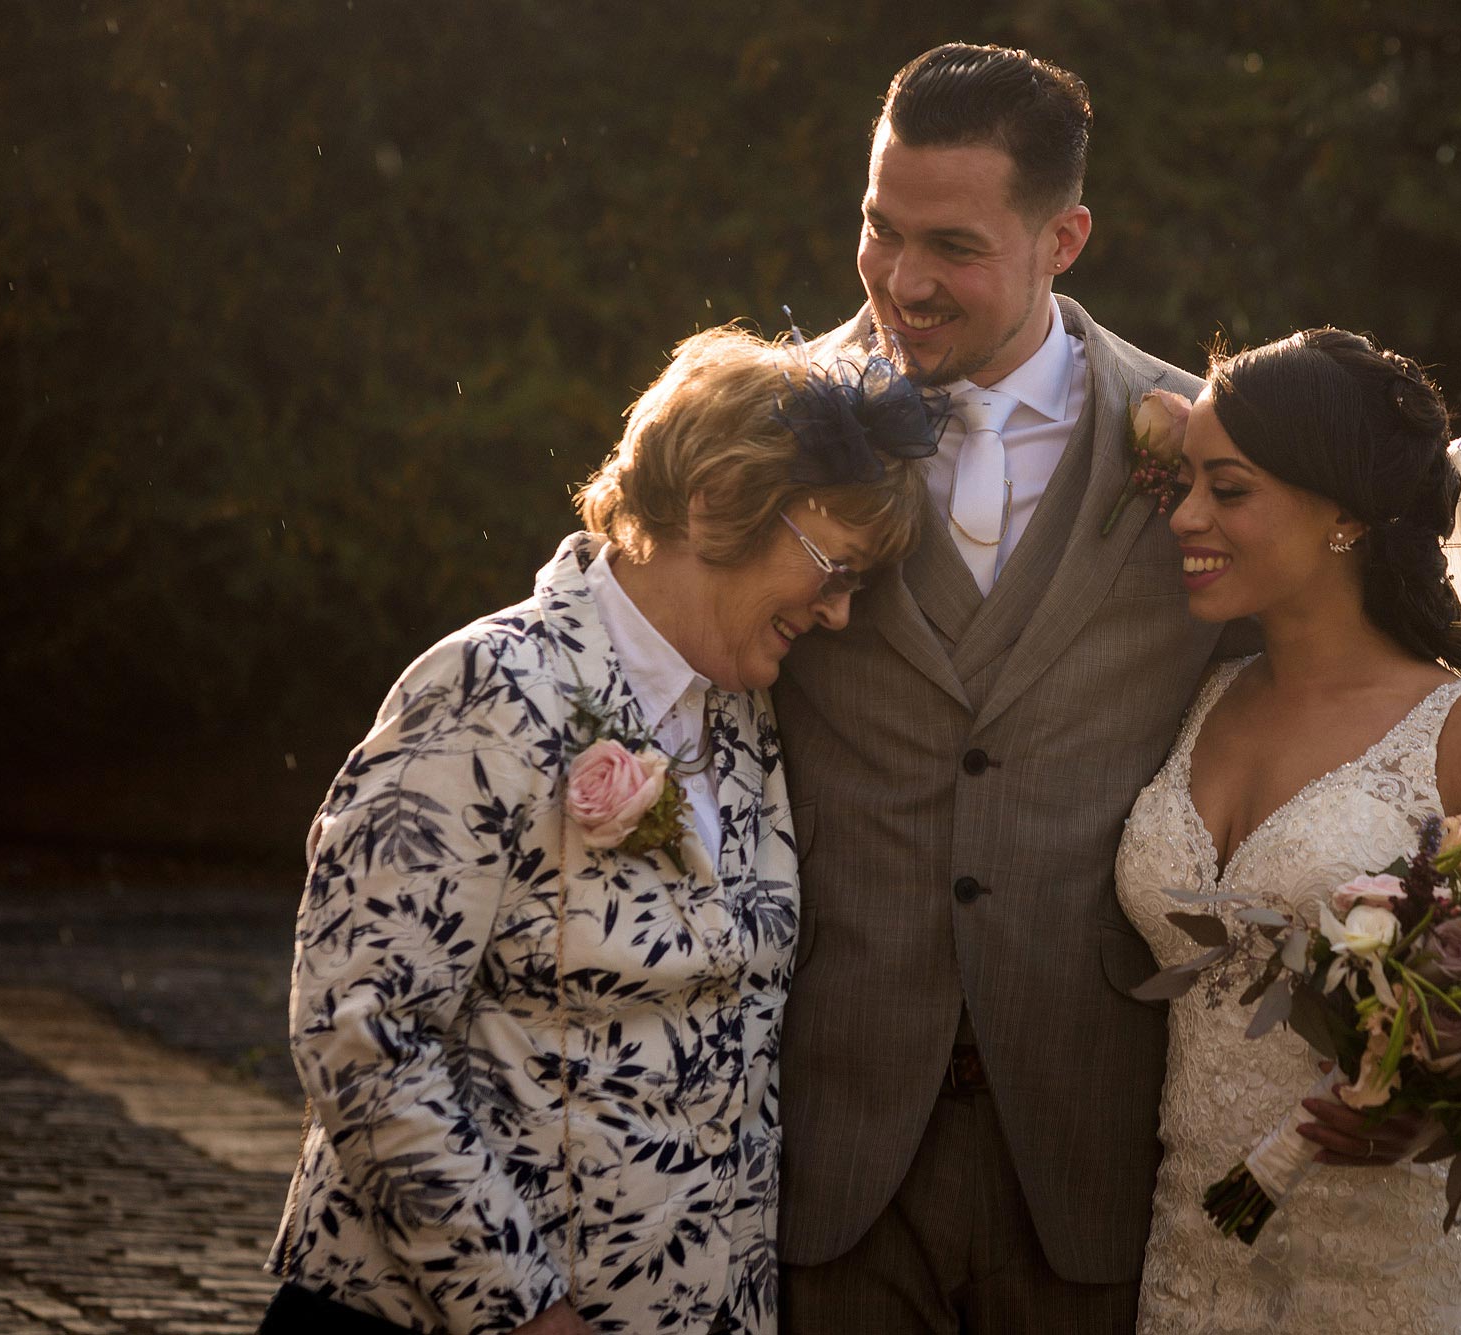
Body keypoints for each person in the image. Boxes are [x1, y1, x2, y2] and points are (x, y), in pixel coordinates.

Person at [259, 327, 935, 1335]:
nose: (840, 614)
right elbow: (362, 1030)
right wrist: (520, 1310)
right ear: (715, 504)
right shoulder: (488, 688)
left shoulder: (747, 721)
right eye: (832, 568)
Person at [772, 43, 1248, 1334]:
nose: (901, 281)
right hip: (833, 1130)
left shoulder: (1204, 447)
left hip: (1093, 1132)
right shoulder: (764, 424)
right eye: (878, 228)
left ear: (1066, 237)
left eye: (953, 246)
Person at [1115, 327, 1461, 1333]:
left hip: (1384, 1285)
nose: (1185, 517)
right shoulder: (1194, 704)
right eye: (1185, 483)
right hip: (1184, 1277)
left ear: (1341, 515)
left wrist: (1433, 1119)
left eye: (1228, 489)